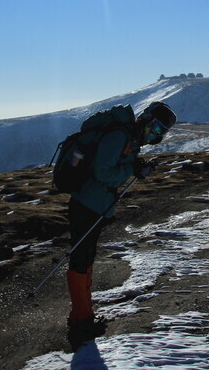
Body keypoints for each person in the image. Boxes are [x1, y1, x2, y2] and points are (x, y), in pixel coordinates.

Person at [65, 100, 176, 349]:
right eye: (155, 128)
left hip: (94, 204)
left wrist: (134, 167)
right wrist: (132, 168)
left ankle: (83, 315)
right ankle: (80, 321)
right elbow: (103, 172)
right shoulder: (118, 136)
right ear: (146, 120)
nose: (155, 135)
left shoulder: (129, 138)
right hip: (87, 204)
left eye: (161, 132)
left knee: (85, 258)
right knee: (81, 259)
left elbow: (114, 169)